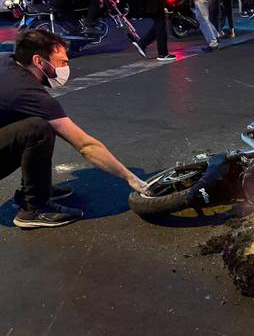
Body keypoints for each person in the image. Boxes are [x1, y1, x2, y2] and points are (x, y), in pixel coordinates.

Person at [0, 30, 147, 228]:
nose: (66, 67)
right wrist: (131, 178)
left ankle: (38, 189)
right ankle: (34, 207)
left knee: (31, 121)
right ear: (38, 61)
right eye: (62, 62)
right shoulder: (26, 93)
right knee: (38, 129)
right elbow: (86, 145)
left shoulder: (6, 60)